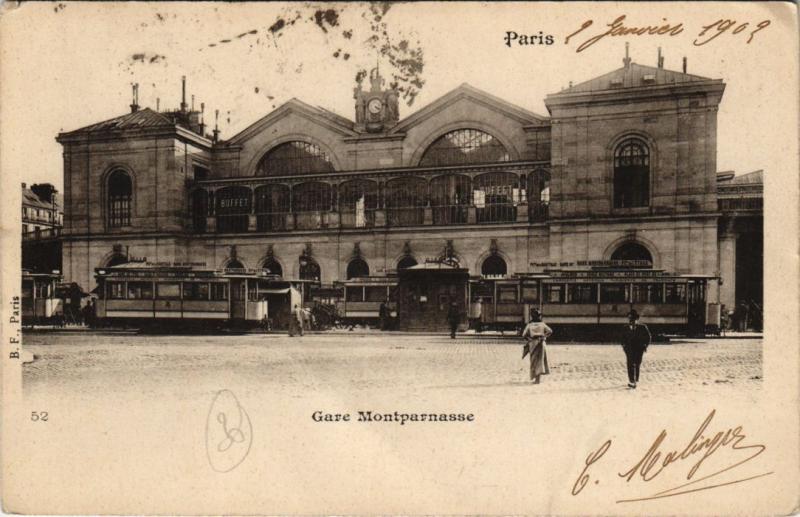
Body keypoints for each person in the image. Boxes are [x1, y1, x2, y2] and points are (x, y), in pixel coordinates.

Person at [621, 310, 651, 389]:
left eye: (633, 320)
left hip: (639, 349)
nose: (631, 321)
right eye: (630, 320)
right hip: (629, 349)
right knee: (630, 364)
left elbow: (648, 337)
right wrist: (624, 347)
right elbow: (622, 338)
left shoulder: (643, 327)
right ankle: (632, 381)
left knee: (637, 364)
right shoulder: (625, 328)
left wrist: (645, 346)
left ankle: (635, 379)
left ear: (637, 319)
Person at [521, 310, 552, 384]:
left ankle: (535, 377)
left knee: (533, 360)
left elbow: (524, 335)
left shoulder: (529, 325)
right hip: (541, 342)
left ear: (532, 316)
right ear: (539, 316)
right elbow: (550, 331)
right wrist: (544, 336)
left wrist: (529, 339)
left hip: (533, 343)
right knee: (540, 360)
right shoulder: (542, 324)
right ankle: (538, 379)